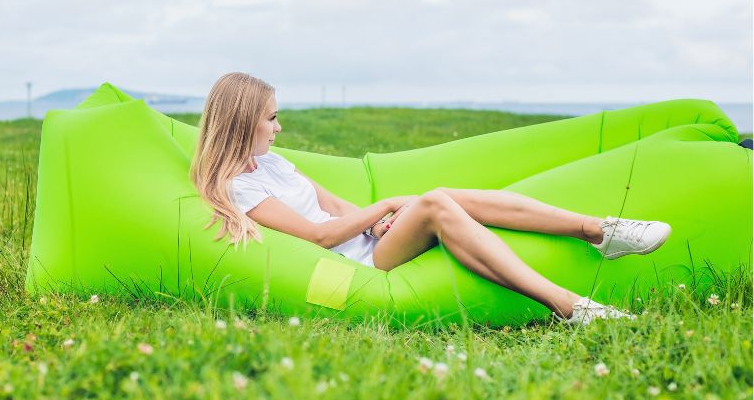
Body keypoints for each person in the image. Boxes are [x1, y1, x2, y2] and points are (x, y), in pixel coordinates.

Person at [190, 72, 672, 326]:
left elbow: (336, 209)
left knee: (446, 201)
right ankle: (568, 304)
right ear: (241, 122)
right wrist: (387, 208)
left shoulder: (271, 163)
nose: (279, 127)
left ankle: (600, 230)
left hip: (364, 241)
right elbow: (318, 235)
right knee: (437, 202)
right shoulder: (241, 185)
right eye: (271, 118)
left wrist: (374, 220)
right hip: (355, 265)